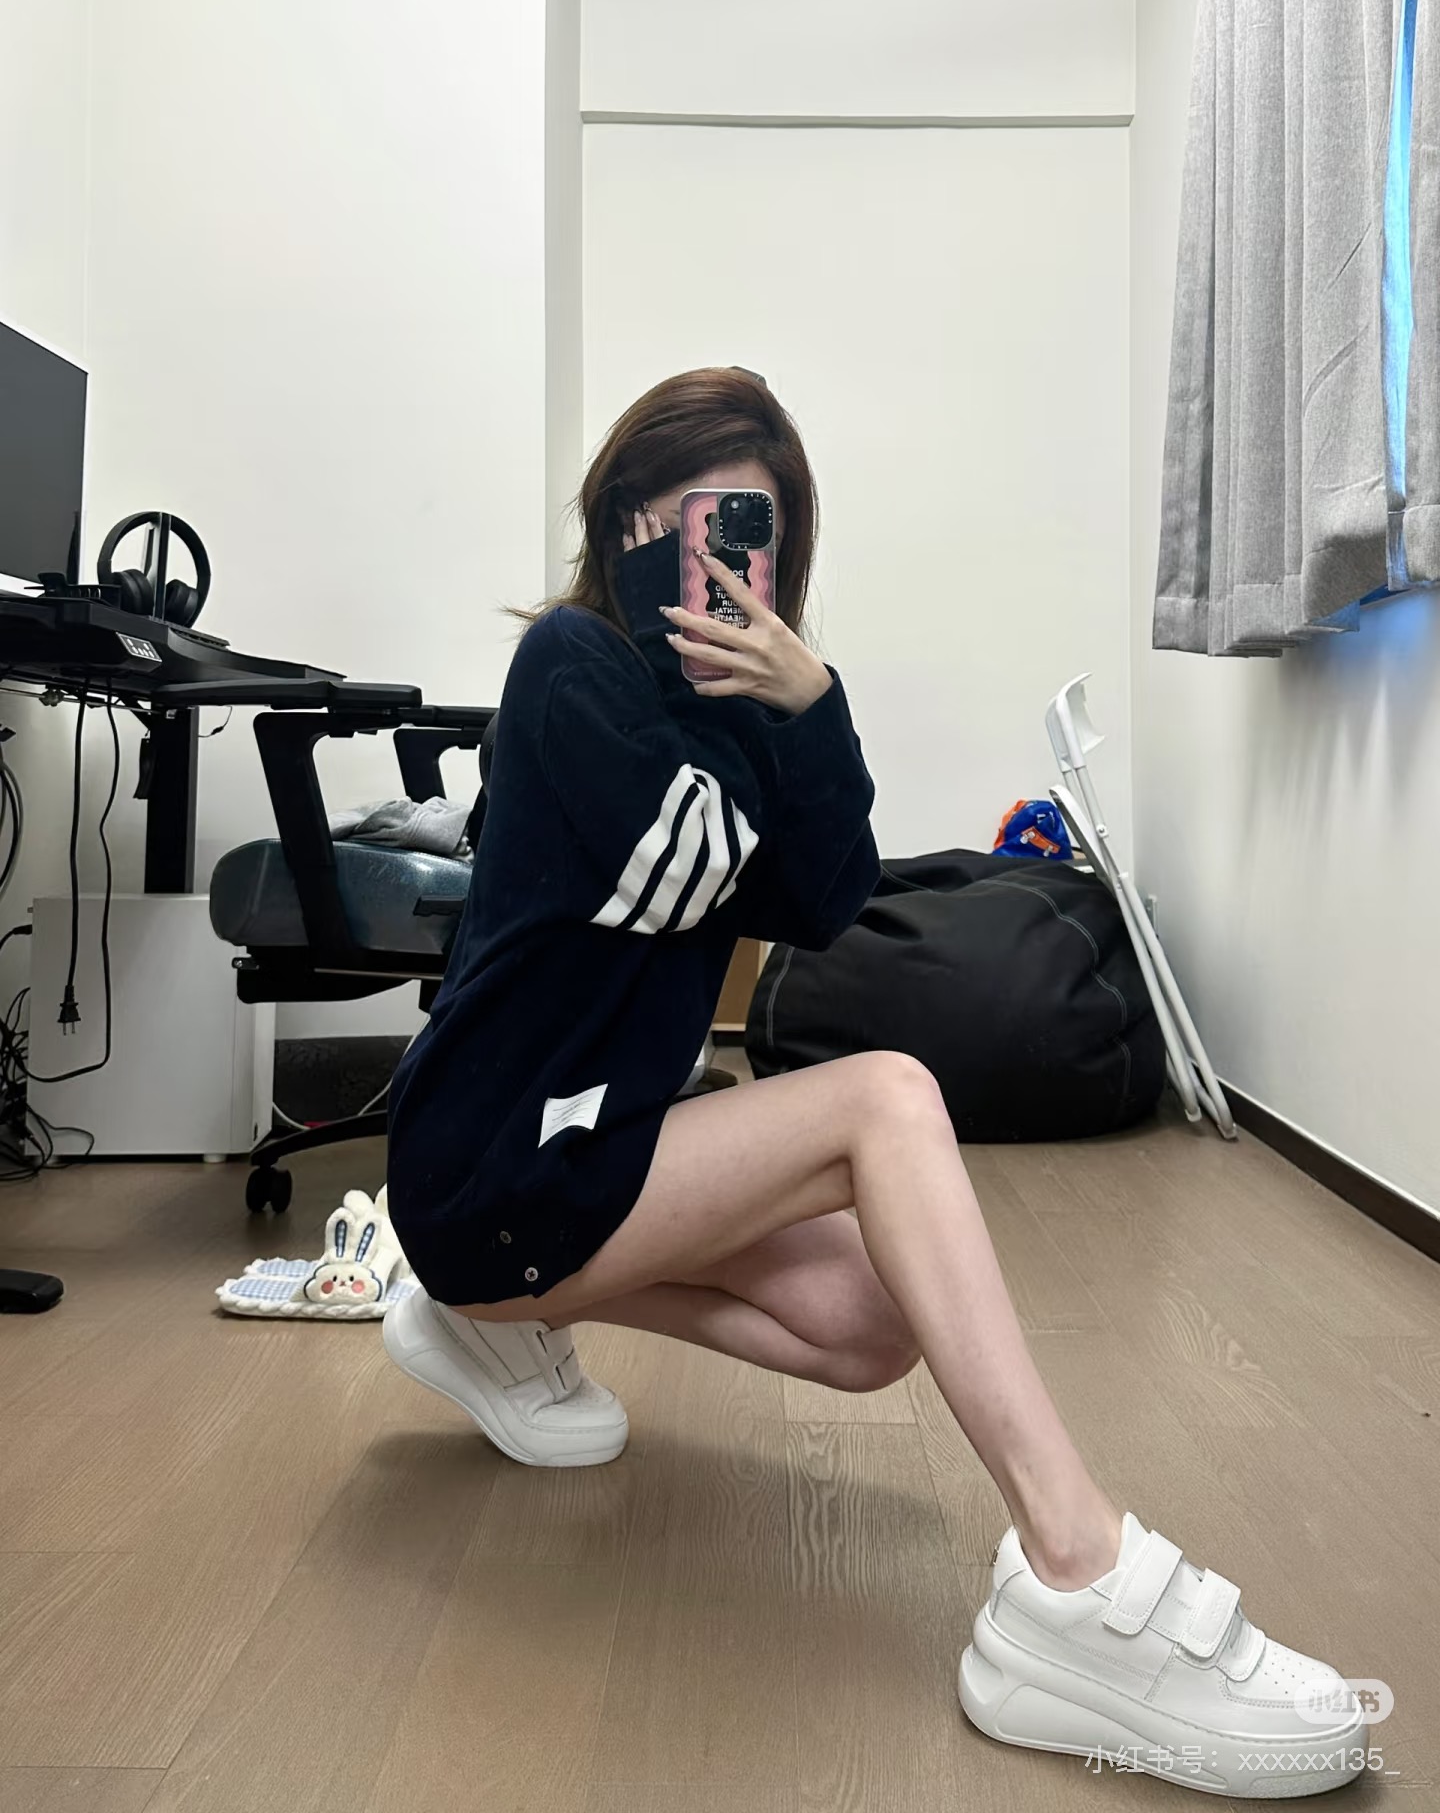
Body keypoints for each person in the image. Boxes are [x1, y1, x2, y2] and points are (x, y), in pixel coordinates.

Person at [383, 368, 1366, 1799]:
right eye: (689, 518)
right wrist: (764, 719)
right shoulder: (571, 665)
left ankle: (493, 1311)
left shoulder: (742, 714)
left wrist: (813, 704)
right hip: (483, 1156)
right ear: (626, 518)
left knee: (870, 1325)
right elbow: (694, 862)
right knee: (886, 1095)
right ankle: (1076, 1570)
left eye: (751, 531)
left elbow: (830, 896)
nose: (720, 560)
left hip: (591, 1155)